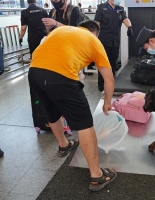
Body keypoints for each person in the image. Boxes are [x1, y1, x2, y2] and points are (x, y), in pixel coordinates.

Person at [28, 20, 117, 191]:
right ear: (94, 32)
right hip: (60, 76)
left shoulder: (60, 31)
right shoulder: (94, 40)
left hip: (34, 72)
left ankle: (63, 145)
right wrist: (107, 102)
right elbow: (109, 78)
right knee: (84, 123)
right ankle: (97, 175)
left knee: (51, 112)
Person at [94, 0, 134, 93]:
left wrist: (129, 27)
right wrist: (93, 37)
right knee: (103, 64)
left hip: (115, 42)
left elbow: (125, 19)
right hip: (103, 42)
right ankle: (101, 85)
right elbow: (96, 23)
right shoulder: (101, 8)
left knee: (112, 64)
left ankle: (111, 83)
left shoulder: (120, 9)